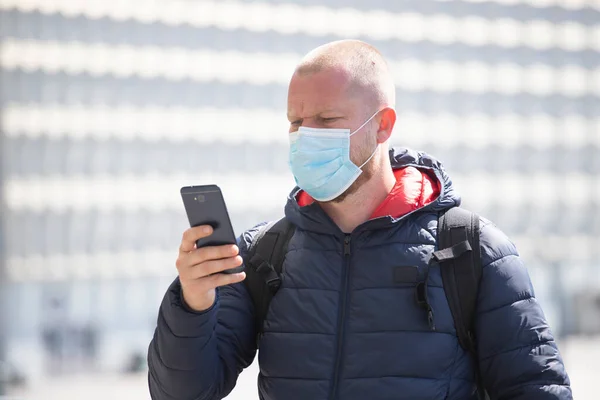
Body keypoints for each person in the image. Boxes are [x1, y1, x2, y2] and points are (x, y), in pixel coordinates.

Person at [147, 40, 572, 400]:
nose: (304, 136)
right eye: (295, 123)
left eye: (327, 121)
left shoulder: (472, 250)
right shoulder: (264, 253)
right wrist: (192, 303)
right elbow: (183, 392)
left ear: (383, 126)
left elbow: (536, 388)